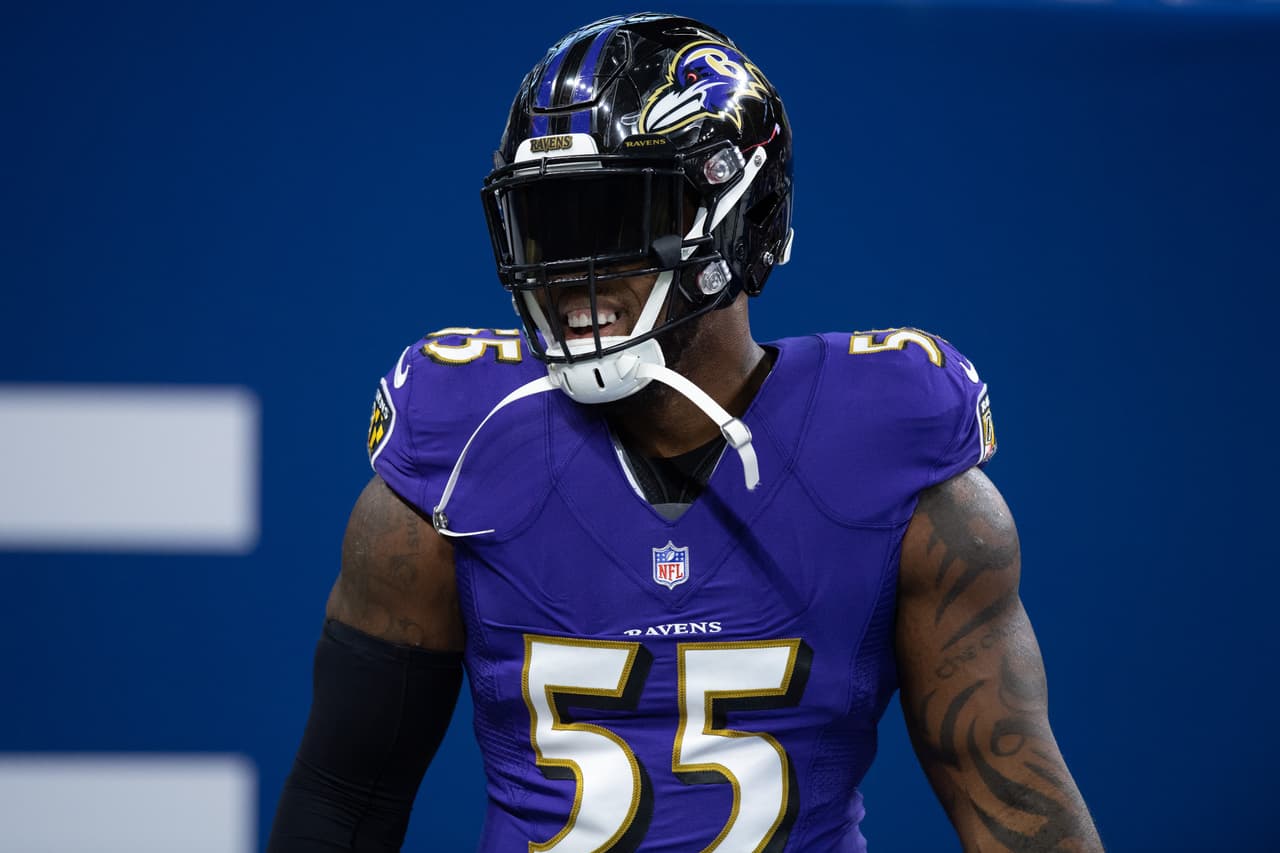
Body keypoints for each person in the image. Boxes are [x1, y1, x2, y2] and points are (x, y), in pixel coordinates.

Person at [268, 12, 1103, 852]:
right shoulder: (463, 449)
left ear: (738, 217)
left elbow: (1017, 811)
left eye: (615, 217)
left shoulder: (893, 458)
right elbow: (342, 801)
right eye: (549, 224)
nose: (569, 274)